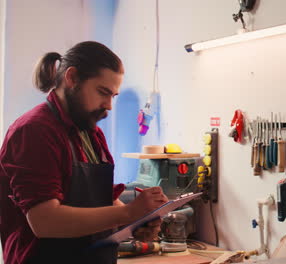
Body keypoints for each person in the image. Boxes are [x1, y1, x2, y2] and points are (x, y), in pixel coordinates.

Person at [0, 41, 168, 264]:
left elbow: (102, 198)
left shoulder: (91, 133)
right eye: (102, 92)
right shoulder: (34, 131)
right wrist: (128, 213)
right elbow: (44, 220)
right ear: (72, 78)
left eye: (113, 96)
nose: (109, 105)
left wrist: (136, 223)